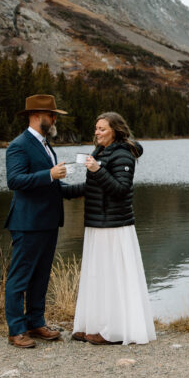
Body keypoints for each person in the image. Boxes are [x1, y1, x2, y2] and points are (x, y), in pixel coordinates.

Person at [63, 112, 155, 345]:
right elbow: (93, 188)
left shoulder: (123, 154)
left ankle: (113, 331)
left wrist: (97, 170)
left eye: (102, 129)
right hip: (97, 223)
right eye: (96, 128)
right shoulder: (100, 152)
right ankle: (92, 325)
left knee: (112, 277)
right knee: (97, 276)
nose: (97, 133)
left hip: (114, 225)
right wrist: (60, 190)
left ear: (115, 130)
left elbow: (120, 189)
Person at [4, 94, 71, 348]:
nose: (54, 119)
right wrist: (50, 174)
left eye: (54, 115)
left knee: (41, 276)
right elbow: (15, 181)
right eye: (51, 115)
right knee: (20, 278)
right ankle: (16, 330)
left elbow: (53, 185)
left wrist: (87, 187)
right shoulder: (18, 145)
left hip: (48, 223)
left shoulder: (45, 145)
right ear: (36, 116)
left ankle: (35, 322)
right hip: (27, 223)